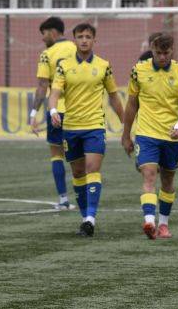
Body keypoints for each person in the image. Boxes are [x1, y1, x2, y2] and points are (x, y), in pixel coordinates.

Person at [47, 23, 124, 237]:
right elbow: (54, 91)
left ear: (94, 40)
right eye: (80, 36)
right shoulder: (64, 65)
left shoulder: (103, 65)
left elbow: (114, 96)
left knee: (93, 169)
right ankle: (85, 219)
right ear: (74, 40)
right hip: (70, 127)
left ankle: (91, 218)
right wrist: (53, 110)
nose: (84, 40)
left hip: (94, 127)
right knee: (78, 173)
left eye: (88, 36)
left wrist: (126, 124)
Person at [122, 33, 178, 240]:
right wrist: (126, 135)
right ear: (152, 49)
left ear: (172, 50)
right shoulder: (138, 71)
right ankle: (149, 222)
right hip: (146, 133)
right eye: (158, 53)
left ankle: (163, 223)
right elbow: (132, 105)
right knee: (149, 175)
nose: (162, 57)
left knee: (168, 181)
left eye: (166, 53)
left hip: (171, 135)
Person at [30, 17, 77, 210]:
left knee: (57, 155)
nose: (42, 39)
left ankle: (63, 200)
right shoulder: (77, 49)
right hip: (78, 111)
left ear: (53, 32)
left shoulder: (47, 54)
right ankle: (85, 201)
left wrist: (34, 113)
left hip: (56, 111)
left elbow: (42, 86)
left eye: (44, 34)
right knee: (79, 157)